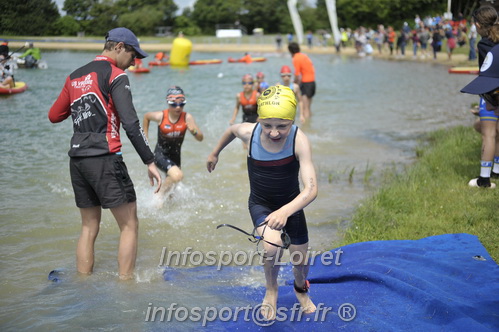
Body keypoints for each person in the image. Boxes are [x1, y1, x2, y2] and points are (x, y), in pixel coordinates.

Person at [48, 27, 162, 280]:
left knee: (89, 226)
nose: (135, 61)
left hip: (77, 160)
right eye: (133, 55)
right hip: (105, 157)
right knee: (129, 224)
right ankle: (126, 287)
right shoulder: (116, 74)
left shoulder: (74, 76)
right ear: (119, 47)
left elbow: (54, 115)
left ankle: (84, 283)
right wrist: (150, 161)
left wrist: (79, 102)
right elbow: (131, 123)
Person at [207, 85, 318, 320]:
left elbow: (311, 189)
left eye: (282, 126)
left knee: (300, 262)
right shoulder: (249, 132)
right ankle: (271, 290)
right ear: (259, 119)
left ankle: (300, 288)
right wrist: (214, 153)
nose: (274, 133)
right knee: (271, 246)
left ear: (292, 121)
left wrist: (286, 211)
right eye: (268, 125)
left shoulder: (299, 140)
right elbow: (231, 130)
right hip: (261, 203)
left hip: (292, 206)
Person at [142, 86, 203, 202]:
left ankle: (164, 209)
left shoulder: (187, 117)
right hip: (160, 155)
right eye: (174, 104)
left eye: (181, 104)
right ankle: (157, 196)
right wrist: (145, 138)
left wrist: (193, 131)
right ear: (168, 103)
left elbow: (200, 138)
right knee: (177, 176)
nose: (178, 107)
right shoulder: (161, 116)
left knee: (171, 193)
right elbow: (146, 117)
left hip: (175, 157)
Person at [462, 6, 499, 188]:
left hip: (491, 92)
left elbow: (487, 74)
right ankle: (497, 171)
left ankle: (484, 180)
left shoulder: (483, 44)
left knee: (488, 135)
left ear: (477, 24)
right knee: (497, 134)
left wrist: (488, 100)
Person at [288, 42, 316, 124]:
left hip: (306, 82)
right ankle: (310, 124)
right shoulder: (304, 56)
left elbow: (297, 74)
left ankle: (306, 127)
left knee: (304, 108)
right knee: (308, 107)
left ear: (290, 51)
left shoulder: (296, 58)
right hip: (312, 82)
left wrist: (294, 83)